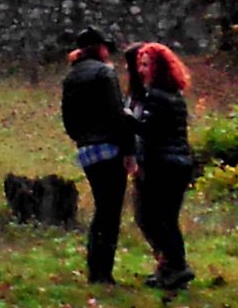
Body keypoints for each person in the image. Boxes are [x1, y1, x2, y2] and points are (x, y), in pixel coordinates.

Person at [60, 27, 137, 284]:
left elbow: (68, 120)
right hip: (109, 148)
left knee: (101, 209)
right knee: (109, 212)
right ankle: (102, 271)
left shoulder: (71, 77)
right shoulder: (105, 73)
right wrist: (129, 150)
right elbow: (117, 115)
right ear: (99, 48)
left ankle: (96, 268)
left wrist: (81, 139)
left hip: (87, 150)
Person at [129, 41, 197, 291]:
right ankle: (170, 268)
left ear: (158, 68)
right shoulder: (175, 96)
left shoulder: (156, 96)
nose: (141, 70)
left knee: (153, 218)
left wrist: (127, 118)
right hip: (178, 164)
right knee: (166, 218)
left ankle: (176, 266)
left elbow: (148, 130)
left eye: (146, 65)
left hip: (161, 165)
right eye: (140, 65)